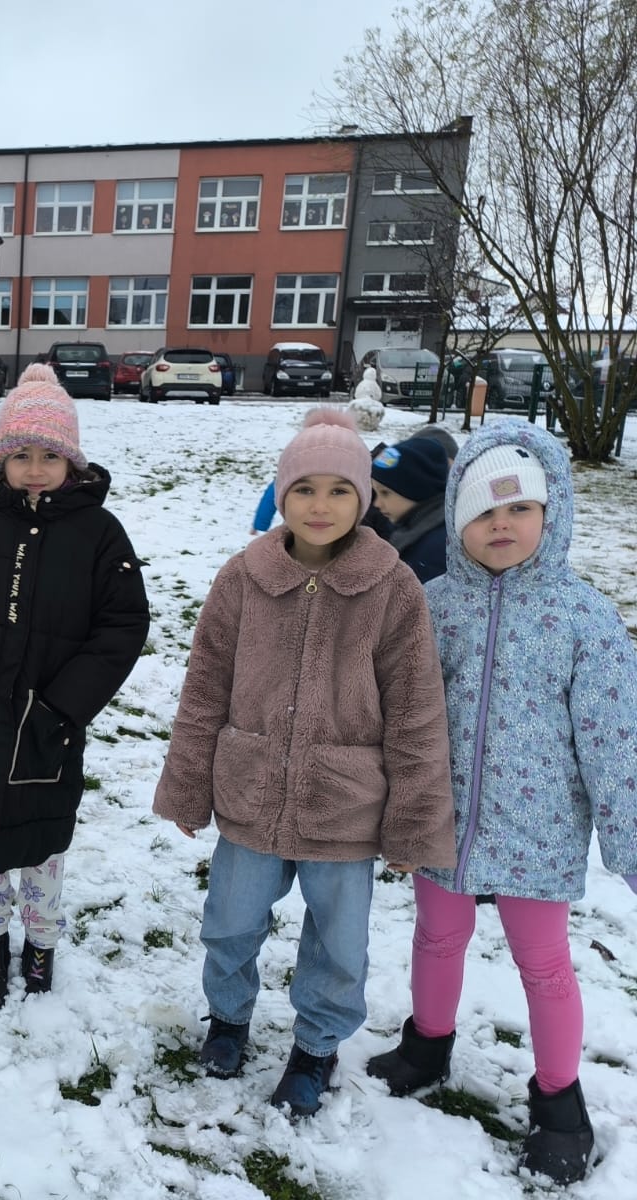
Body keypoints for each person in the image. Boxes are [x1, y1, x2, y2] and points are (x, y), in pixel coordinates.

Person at [152, 408, 455, 1119]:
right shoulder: (243, 578)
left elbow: (415, 710)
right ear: (283, 496)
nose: (321, 506)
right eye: (305, 489)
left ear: (365, 499)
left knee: (338, 945)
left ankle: (316, 1048)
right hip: (252, 795)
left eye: (340, 491)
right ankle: (227, 1020)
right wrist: (190, 786)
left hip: (344, 805)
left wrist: (412, 824)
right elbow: (205, 688)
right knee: (229, 922)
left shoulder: (392, 587)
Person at [365, 422, 637, 1185]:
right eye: (483, 512)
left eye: (519, 510)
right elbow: (394, 706)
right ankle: (428, 1043)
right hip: (441, 816)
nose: (502, 526)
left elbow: (617, 743)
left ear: (552, 515)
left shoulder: (584, 619)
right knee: (437, 937)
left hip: (540, 830)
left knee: (545, 964)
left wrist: (630, 843)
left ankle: (559, 1101)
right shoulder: (432, 605)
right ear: (456, 521)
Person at [0, 364, 150, 1009]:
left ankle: (42, 943)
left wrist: (63, 704)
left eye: (48, 455)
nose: (33, 468)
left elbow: (123, 623)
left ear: (71, 461)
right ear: (0, 460)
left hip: (51, 719)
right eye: (19, 455)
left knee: (45, 838)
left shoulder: (99, 534)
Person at [368, 435, 450, 582]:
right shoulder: (410, 528)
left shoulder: (435, 551)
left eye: (385, 493)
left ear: (415, 490)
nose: (377, 503)